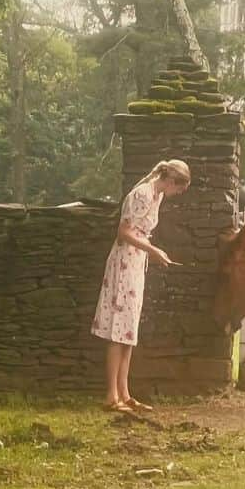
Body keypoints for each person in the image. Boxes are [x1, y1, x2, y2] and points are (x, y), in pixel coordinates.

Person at [91, 158, 190, 411]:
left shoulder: (156, 196)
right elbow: (124, 233)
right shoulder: (143, 194)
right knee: (117, 325)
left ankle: (124, 393)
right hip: (125, 260)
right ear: (170, 180)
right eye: (179, 188)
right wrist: (153, 249)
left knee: (128, 326)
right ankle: (111, 395)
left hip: (136, 262)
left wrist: (150, 252)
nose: (178, 194)